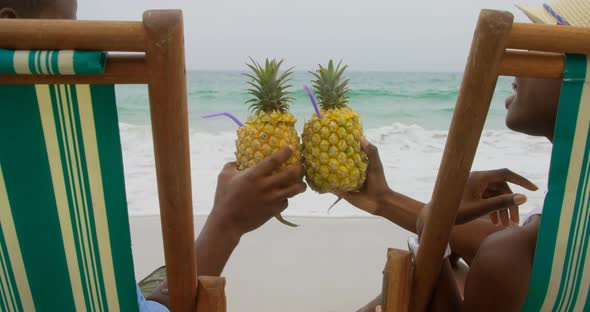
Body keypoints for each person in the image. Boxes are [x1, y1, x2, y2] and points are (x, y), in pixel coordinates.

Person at [0, 1, 307, 311]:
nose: (75, 40)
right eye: (68, 23)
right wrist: (228, 222)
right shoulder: (44, 189)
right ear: (10, 27)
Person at [348, 1, 588, 310]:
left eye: (536, 49)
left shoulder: (512, 256)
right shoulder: (560, 235)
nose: (515, 68)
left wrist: (430, 223)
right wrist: (385, 200)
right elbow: (493, 244)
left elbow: (501, 256)